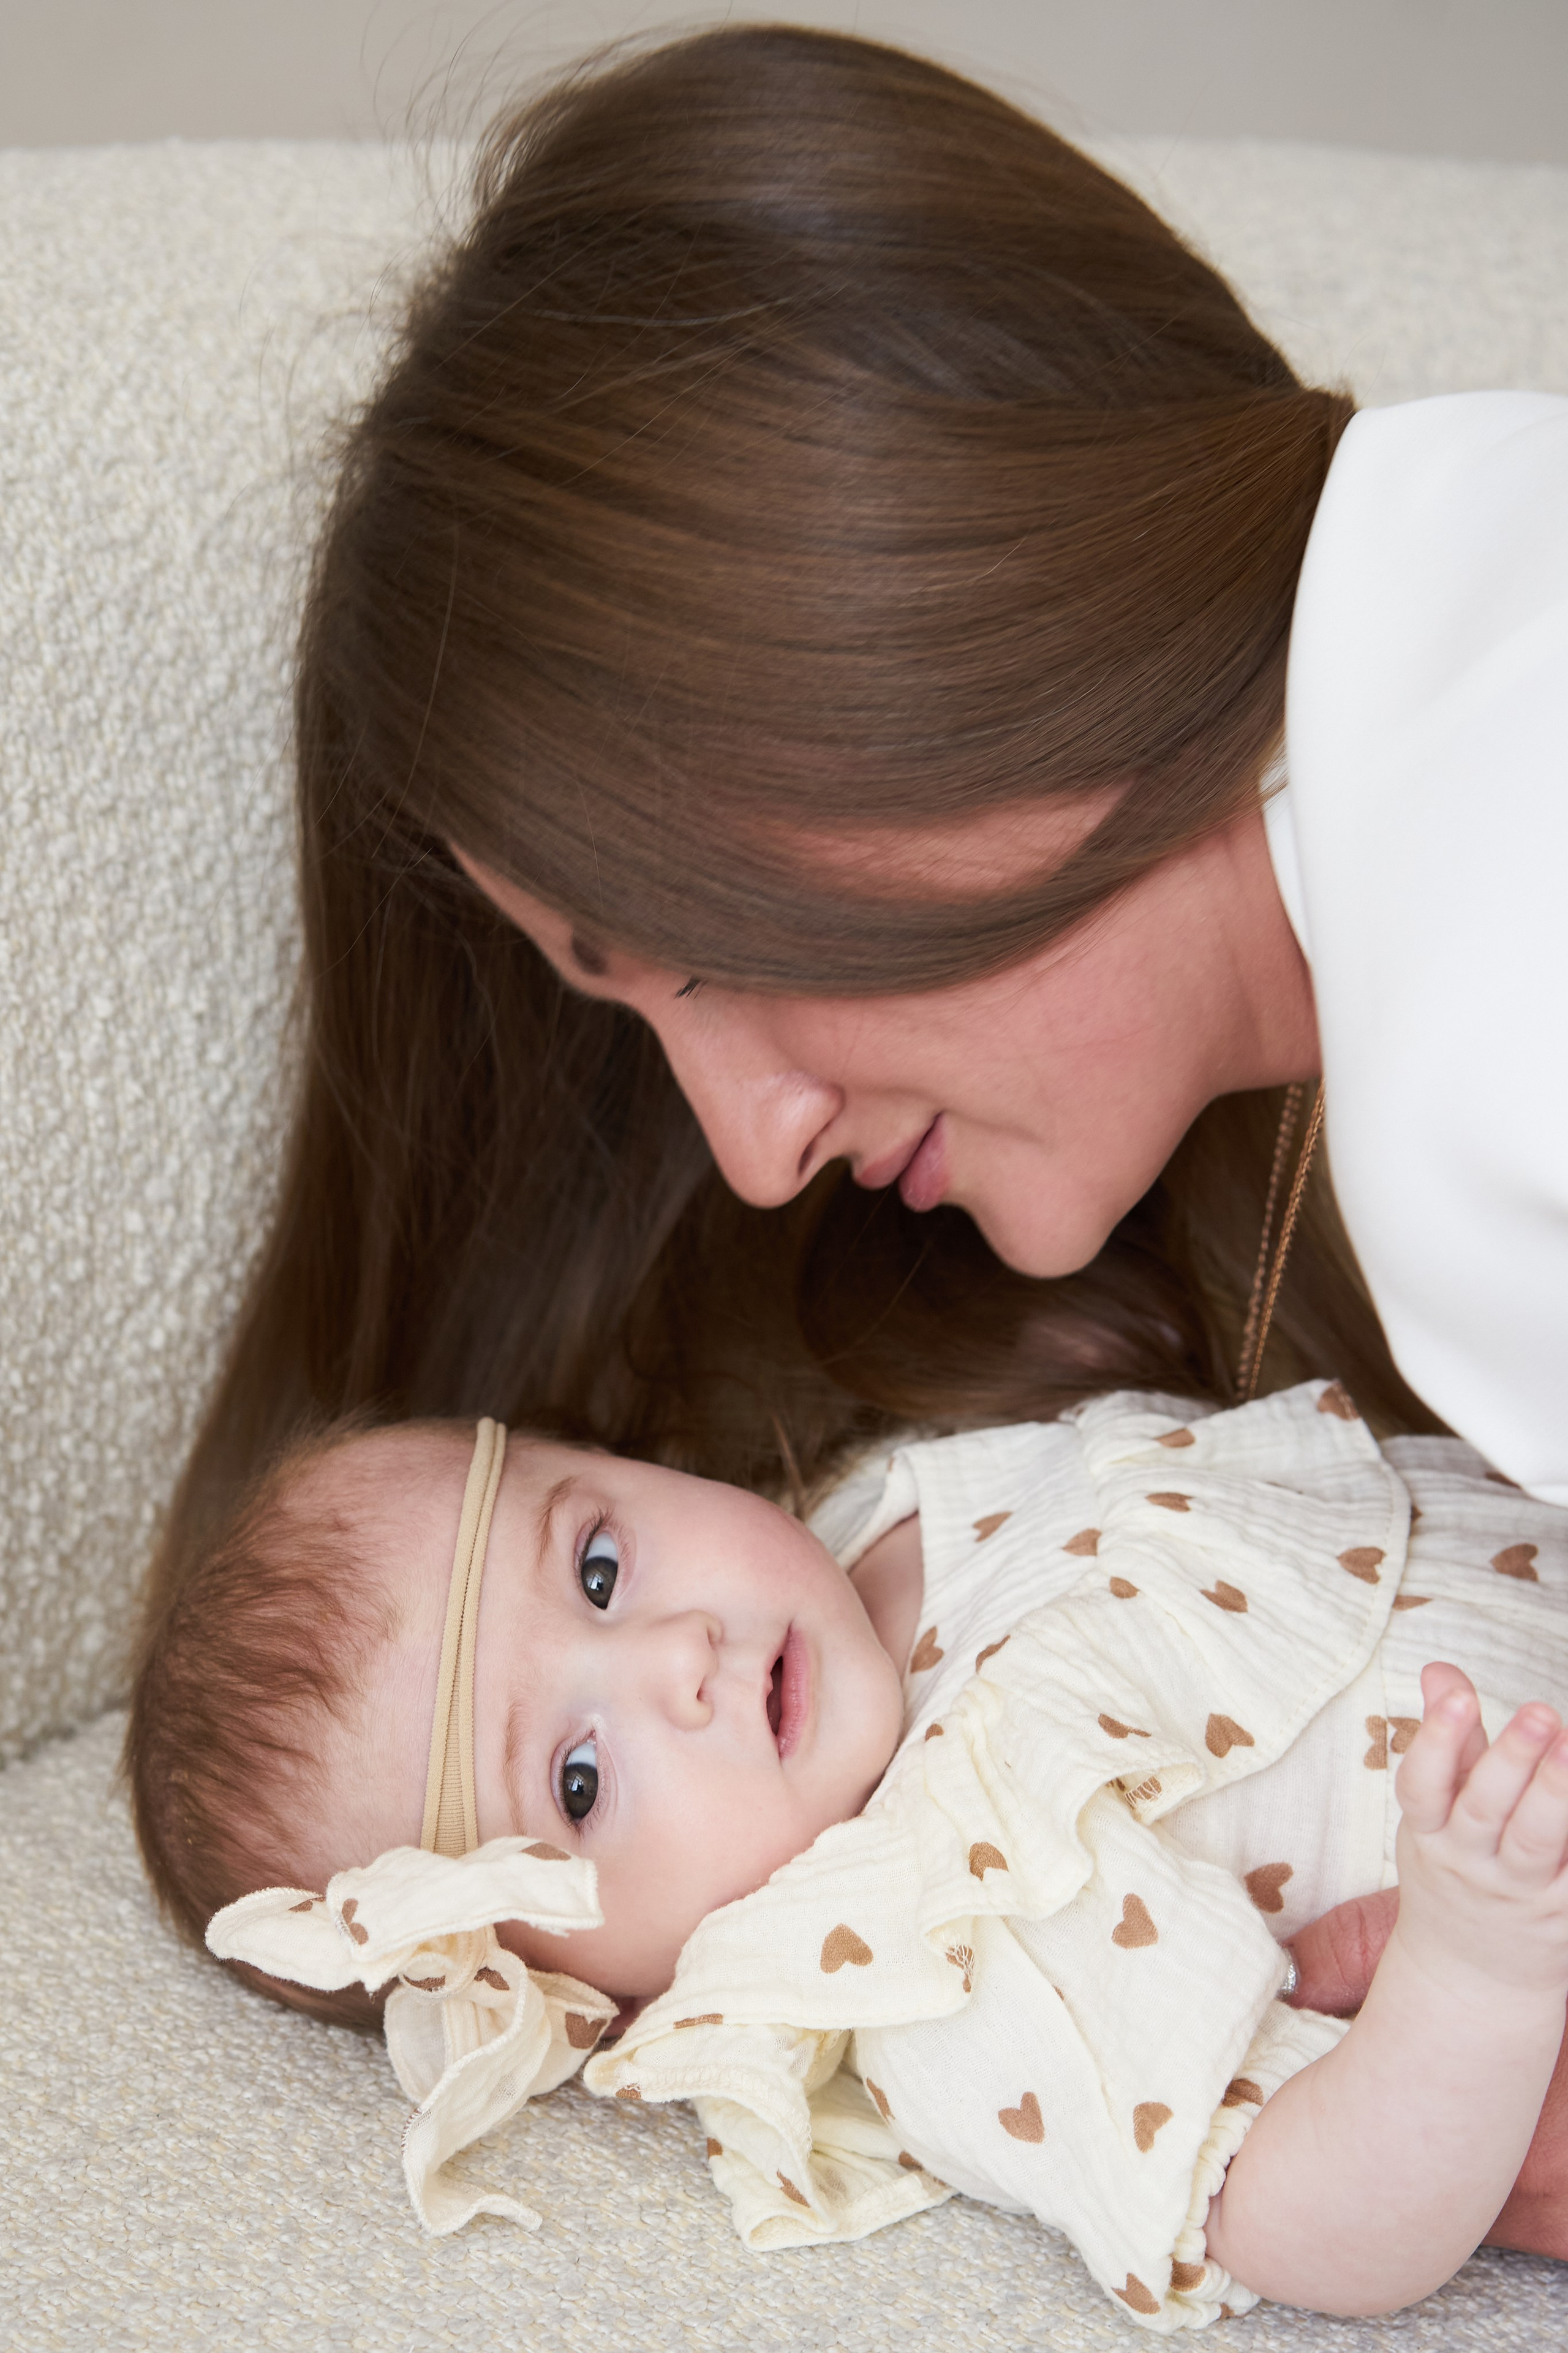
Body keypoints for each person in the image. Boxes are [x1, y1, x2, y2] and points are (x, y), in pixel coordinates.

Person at [150, 21, 1564, 2136]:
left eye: (701, 956)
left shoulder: (1493, 1052)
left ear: (897, 624)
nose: (751, 1143)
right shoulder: (1476, 537)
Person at [129, 1388, 1568, 2324]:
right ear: (591, 2001)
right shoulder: (915, 1960)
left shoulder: (902, 1508)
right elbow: (1316, 2226)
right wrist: (1481, 1966)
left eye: (598, 1570)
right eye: (576, 1779)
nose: (673, 1659)